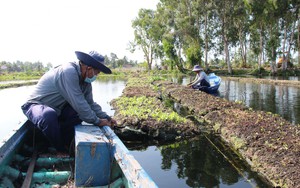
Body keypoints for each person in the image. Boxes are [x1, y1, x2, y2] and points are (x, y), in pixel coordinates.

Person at [21, 51, 117, 151]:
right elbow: (79, 102)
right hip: (35, 106)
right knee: (49, 115)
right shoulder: (68, 72)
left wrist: (107, 117)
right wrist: (98, 121)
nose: (96, 76)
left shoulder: (85, 82)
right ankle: (59, 149)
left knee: (75, 113)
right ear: (89, 68)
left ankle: (64, 141)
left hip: (58, 110)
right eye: (97, 73)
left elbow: (90, 104)